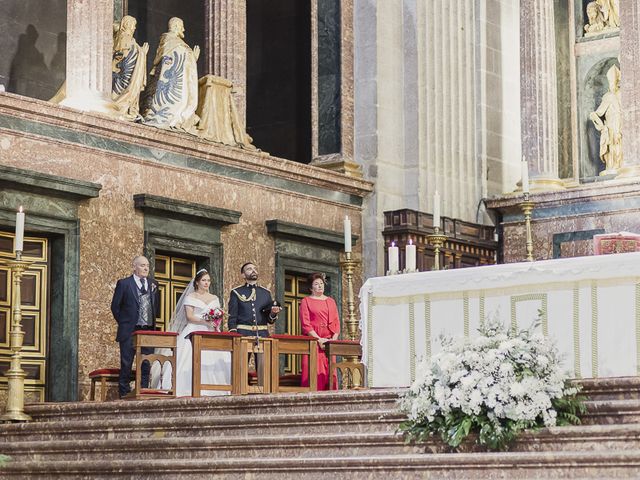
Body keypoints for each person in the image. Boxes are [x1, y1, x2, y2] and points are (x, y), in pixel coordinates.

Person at [157, 268, 231, 396]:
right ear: (197, 282)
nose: (206, 283)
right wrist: (205, 321)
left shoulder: (214, 298)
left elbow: (218, 315)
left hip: (211, 331)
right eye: (203, 280)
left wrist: (215, 321)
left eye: (208, 280)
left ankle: (216, 389)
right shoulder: (191, 297)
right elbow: (190, 316)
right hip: (194, 330)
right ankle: (186, 388)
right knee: (189, 359)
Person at [110, 255, 160, 398]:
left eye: (147, 266)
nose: (146, 268)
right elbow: (115, 307)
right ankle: (124, 393)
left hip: (148, 330)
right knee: (126, 363)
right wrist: (125, 322)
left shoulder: (153, 284)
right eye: (142, 265)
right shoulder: (124, 284)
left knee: (146, 362)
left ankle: (143, 390)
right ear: (134, 266)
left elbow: (155, 307)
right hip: (129, 330)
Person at [141, 17, 200, 133]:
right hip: (170, 88)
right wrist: (191, 57)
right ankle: (170, 115)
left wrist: (192, 58)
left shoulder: (175, 43)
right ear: (177, 26)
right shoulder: (171, 41)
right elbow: (174, 60)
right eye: (181, 26)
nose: (183, 29)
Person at [228, 262, 281, 383]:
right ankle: (239, 394)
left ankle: (264, 394)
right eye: (249, 269)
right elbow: (232, 317)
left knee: (264, 368)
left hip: (262, 335)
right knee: (240, 368)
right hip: (243, 334)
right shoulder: (236, 292)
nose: (253, 270)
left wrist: (273, 313)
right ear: (243, 275)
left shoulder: (265, 293)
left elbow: (269, 319)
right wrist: (234, 334)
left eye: (254, 268)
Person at [299, 273, 340, 390]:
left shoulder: (331, 301)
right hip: (313, 342)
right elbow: (305, 324)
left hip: (329, 342)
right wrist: (318, 339)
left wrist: (333, 340)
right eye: (316, 284)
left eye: (321, 283)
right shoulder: (306, 301)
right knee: (314, 373)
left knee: (330, 374)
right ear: (311, 287)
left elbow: (336, 322)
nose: (320, 286)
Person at [112, 15, 149, 120]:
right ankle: (120, 106)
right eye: (134, 25)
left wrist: (142, 53)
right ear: (127, 24)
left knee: (129, 89)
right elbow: (120, 54)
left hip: (128, 72)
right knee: (123, 91)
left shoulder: (129, 39)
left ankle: (126, 108)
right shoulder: (124, 37)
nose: (134, 28)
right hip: (123, 72)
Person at [590, 64, 622, 175]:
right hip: (611, 126)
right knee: (612, 145)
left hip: (622, 125)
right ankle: (612, 166)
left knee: (621, 145)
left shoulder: (623, 94)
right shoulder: (608, 96)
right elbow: (595, 114)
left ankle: (621, 164)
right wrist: (601, 126)